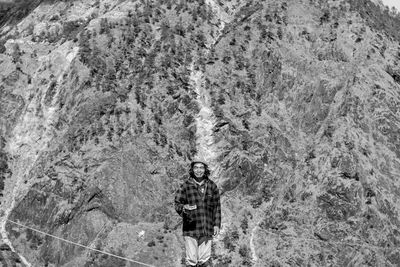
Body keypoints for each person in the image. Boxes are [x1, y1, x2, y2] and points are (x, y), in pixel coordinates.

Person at [175, 158, 221, 267]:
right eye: (196, 167)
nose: (198, 170)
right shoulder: (185, 186)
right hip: (191, 228)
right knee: (191, 260)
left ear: (205, 170)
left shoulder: (212, 186)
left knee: (204, 260)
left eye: (201, 168)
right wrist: (184, 207)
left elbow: (217, 206)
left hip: (207, 228)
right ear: (192, 170)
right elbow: (177, 203)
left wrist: (216, 225)